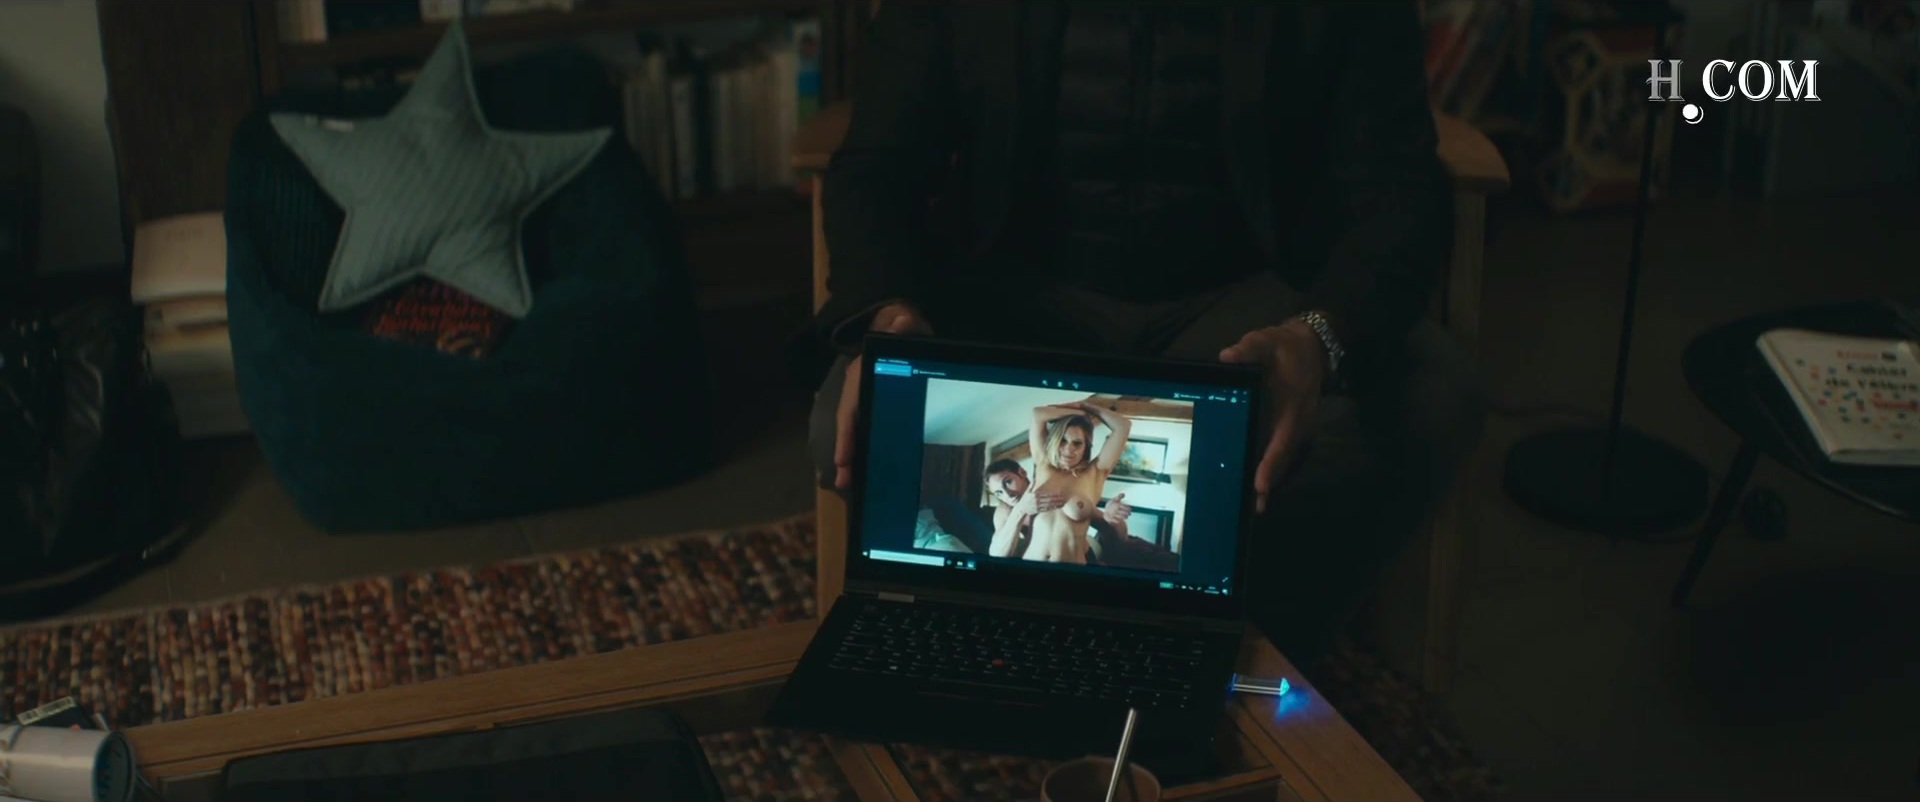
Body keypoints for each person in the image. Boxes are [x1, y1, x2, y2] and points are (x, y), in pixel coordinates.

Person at [809, 2, 1486, 667]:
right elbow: (875, 168)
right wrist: (887, 315)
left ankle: (1242, 660)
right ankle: (984, 658)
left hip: (1249, 291)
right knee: (851, 422)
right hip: (1013, 287)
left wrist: (1318, 338)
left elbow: (1399, 193)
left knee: (1431, 398)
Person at [982, 458, 1133, 562]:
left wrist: (1114, 516)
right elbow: (997, 554)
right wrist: (1020, 510)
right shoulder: (1006, 510)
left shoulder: (1054, 493)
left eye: (1008, 482)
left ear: (1022, 473)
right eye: (998, 493)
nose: (1007, 494)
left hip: (1081, 557)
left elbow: (1117, 533)